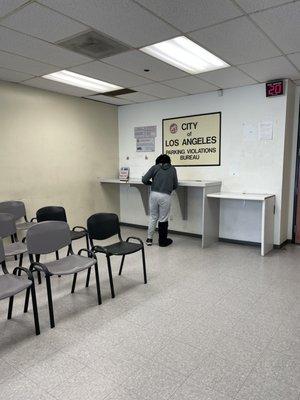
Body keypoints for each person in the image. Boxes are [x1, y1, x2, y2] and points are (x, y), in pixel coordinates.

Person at [142, 154, 178, 247]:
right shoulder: (173, 169)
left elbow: (144, 179)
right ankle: (162, 241)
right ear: (169, 161)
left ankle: (149, 239)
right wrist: (168, 186)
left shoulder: (155, 167)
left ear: (158, 161)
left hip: (153, 194)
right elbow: (176, 185)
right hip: (165, 196)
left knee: (153, 217)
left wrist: (152, 183)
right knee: (163, 218)